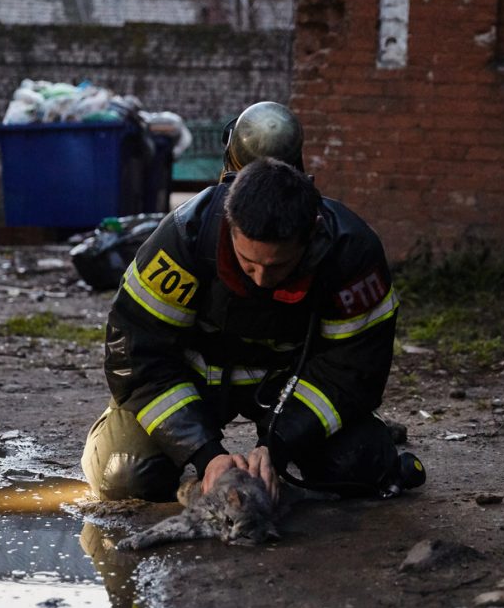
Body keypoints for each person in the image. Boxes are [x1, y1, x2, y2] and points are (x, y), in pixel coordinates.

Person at [81, 102, 424, 502]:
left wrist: (277, 447)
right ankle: (108, 439)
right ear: (229, 223)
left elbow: (352, 372)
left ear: (310, 235)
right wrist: (206, 454)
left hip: (289, 387)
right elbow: (137, 358)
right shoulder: (182, 242)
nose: (260, 279)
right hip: (193, 382)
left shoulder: (352, 256)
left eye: (278, 266)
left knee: (359, 466)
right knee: (124, 475)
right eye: (248, 263)